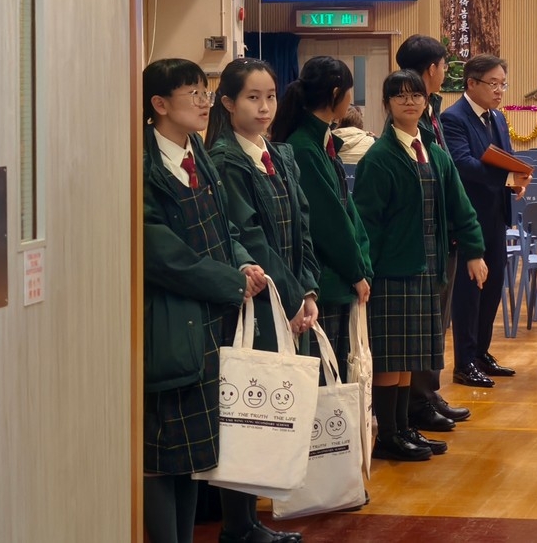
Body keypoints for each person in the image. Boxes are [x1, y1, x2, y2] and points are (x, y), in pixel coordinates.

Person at [142, 58, 268, 543]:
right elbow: (162, 256)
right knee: (162, 453)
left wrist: (243, 263)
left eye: (205, 91)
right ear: (159, 104)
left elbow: (226, 226)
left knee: (195, 452)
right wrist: (229, 282)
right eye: (192, 93)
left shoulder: (198, 152)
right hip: (169, 323)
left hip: (212, 316)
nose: (203, 102)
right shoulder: (143, 165)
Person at [205, 58, 316, 542]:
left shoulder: (280, 154)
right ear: (228, 103)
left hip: (287, 297)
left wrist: (308, 290)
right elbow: (250, 237)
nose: (264, 107)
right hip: (253, 300)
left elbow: (302, 226)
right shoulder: (224, 160)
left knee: (270, 406)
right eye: (253, 97)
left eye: (270, 96)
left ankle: (251, 519)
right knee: (248, 409)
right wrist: (289, 299)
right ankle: (238, 524)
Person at [353, 70, 488, 461]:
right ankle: (388, 435)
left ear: (426, 102)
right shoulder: (380, 157)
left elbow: (461, 207)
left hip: (429, 268)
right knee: (390, 358)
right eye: (399, 96)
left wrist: (475, 251)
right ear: (387, 104)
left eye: (415, 95)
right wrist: (364, 272)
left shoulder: (434, 153)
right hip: (391, 271)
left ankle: (404, 428)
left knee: (410, 357)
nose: (409, 102)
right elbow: (365, 223)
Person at [269, 56, 373, 382]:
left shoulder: (321, 139)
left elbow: (347, 209)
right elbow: (328, 221)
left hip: (339, 277)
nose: (351, 101)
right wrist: (356, 271)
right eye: (349, 93)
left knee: (339, 377)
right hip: (325, 280)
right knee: (325, 382)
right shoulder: (303, 146)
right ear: (336, 93)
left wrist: (362, 265)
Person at [395, 34, 471, 432]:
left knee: (436, 321)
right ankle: (418, 400)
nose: (444, 73)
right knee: (425, 322)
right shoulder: (411, 120)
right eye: (443, 66)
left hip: (443, 235)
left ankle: (429, 391)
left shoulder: (430, 111)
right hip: (426, 238)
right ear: (431, 69)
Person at [441, 54, 531, 388]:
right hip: (470, 218)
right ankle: (464, 362)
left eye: (503, 84)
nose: (499, 90)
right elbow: (463, 164)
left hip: (496, 215)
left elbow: (506, 159)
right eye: (493, 83)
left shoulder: (497, 118)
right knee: (469, 291)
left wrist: (517, 179)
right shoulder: (453, 118)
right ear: (471, 83)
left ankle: (481, 352)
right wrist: (508, 177)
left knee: (492, 288)